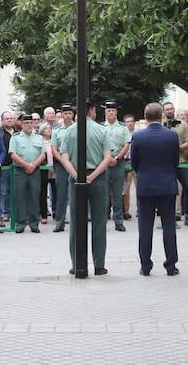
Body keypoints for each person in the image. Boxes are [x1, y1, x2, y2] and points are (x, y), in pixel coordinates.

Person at [60, 102, 114, 276]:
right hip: (97, 180)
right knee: (99, 222)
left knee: (76, 222)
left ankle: (77, 264)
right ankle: (99, 265)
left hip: (75, 179)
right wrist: (92, 176)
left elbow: (64, 158)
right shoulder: (102, 130)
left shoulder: (69, 131)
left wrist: (76, 176)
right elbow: (107, 158)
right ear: (91, 110)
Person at [129, 101, 180, 276]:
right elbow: (175, 161)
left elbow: (134, 162)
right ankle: (171, 265)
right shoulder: (172, 136)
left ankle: (145, 266)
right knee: (169, 226)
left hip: (146, 186)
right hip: (167, 185)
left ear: (145, 117)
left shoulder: (138, 137)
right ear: (161, 116)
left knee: (145, 227)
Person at [9, 114, 47, 232]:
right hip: (20, 171)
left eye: (31, 123)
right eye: (26, 123)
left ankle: (34, 223)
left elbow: (43, 154)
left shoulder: (39, 138)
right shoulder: (15, 137)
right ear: (22, 124)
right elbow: (13, 154)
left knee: (34, 197)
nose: (29, 125)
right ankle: (20, 223)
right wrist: (26, 165)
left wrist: (33, 165)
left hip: (35, 171)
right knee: (20, 197)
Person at [163, 102, 188, 225]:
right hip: (166, 163)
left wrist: (178, 147)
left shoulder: (183, 125)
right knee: (168, 191)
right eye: (167, 109)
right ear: (164, 111)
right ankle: (169, 217)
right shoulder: (161, 125)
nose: (170, 111)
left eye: (171, 109)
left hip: (181, 162)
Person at [102, 101, 130, 231]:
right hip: (104, 163)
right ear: (105, 112)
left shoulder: (123, 128)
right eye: (108, 110)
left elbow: (126, 145)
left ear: (116, 112)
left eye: (113, 110)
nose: (111, 112)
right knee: (104, 193)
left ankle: (118, 221)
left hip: (119, 162)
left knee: (118, 193)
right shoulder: (101, 127)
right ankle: (102, 219)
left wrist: (117, 158)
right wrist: (107, 159)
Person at [51, 104, 75, 232]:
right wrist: (63, 161)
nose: (67, 116)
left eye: (70, 113)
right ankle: (59, 223)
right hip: (61, 165)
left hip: (75, 164)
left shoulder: (78, 128)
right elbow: (54, 148)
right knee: (61, 194)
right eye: (65, 113)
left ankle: (77, 222)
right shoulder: (56, 130)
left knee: (77, 193)